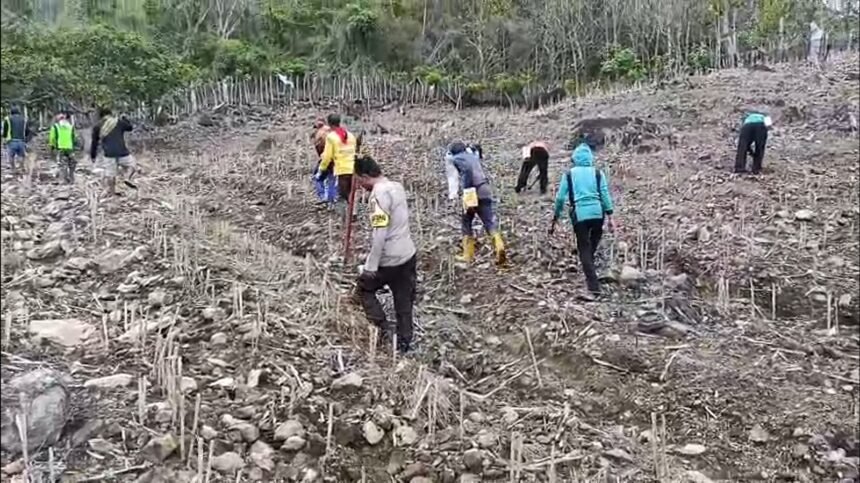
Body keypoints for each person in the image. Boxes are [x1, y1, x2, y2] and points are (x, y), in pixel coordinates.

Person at [353, 156, 417, 354]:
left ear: (365, 176)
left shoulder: (377, 196)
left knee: (365, 288)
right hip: (408, 254)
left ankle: (382, 329)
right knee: (404, 300)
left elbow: (380, 233)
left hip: (390, 258)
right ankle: (405, 344)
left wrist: (371, 265)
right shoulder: (397, 186)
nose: (361, 186)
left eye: (360, 181)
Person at [550, 142, 615, 295]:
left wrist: (556, 217)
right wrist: (611, 217)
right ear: (590, 158)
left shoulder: (569, 174)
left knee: (584, 248)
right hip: (598, 214)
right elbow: (605, 195)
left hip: (579, 214)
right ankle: (589, 267)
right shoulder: (598, 173)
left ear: (575, 158)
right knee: (591, 244)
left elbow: (560, 198)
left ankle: (593, 287)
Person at [446, 141, 507, 265]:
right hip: (485, 189)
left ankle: (467, 255)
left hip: (473, 192)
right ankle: (499, 246)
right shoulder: (472, 156)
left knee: (466, 221)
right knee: (489, 221)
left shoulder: (457, 158)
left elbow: (466, 172)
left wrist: (467, 191)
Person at [316, 114, 357, 209]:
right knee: (350, 195)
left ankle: (345, 218)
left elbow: (327, 157)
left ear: (329, 124)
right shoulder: (350, 135)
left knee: (342, 197)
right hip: (353, 169)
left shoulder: (331, 137)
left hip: (341, 170)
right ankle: (352, 215)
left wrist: (321, 169)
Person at [91, 108, 135, 196]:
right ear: (110, 114)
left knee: (111, 174)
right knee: (132, 166)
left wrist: (93, 155)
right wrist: (125, 119)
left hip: (108, 153)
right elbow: (130, 128)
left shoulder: (97, 126)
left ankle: (112, 193)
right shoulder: (118, 122)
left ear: (101, 116)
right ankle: (127, 178)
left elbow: (94, 142)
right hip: (122, 151)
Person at [310, 119, 337, 203]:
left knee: (317, 177)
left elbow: (322, 151)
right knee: (331, 177)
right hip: (337, 159)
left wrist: (322, 164)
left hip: (327, 158)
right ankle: (331, 198)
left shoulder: (319, 135)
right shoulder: (332, 132)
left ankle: (323, 197)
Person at [49, 112, 78, 183]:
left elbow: (52, 138)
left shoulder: (55, 127)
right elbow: (75, 137)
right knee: (72, 164)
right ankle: (71, 178)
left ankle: (64, 179)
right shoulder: (70, 126)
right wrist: (74, 146)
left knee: (62, 164)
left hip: (60, 148)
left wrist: (52, 147)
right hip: (70, 148)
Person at [2, 106, 33, 171]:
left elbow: (5, 130)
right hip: (21, 140)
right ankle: (21, 167)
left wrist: (4, 137)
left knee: (11, 156)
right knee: (21, 156)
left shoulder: (7, 119)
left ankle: (13, 169)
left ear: (11, 112)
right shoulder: (24, 119)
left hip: (11, 141)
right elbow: (27, 131)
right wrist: (27, 140)